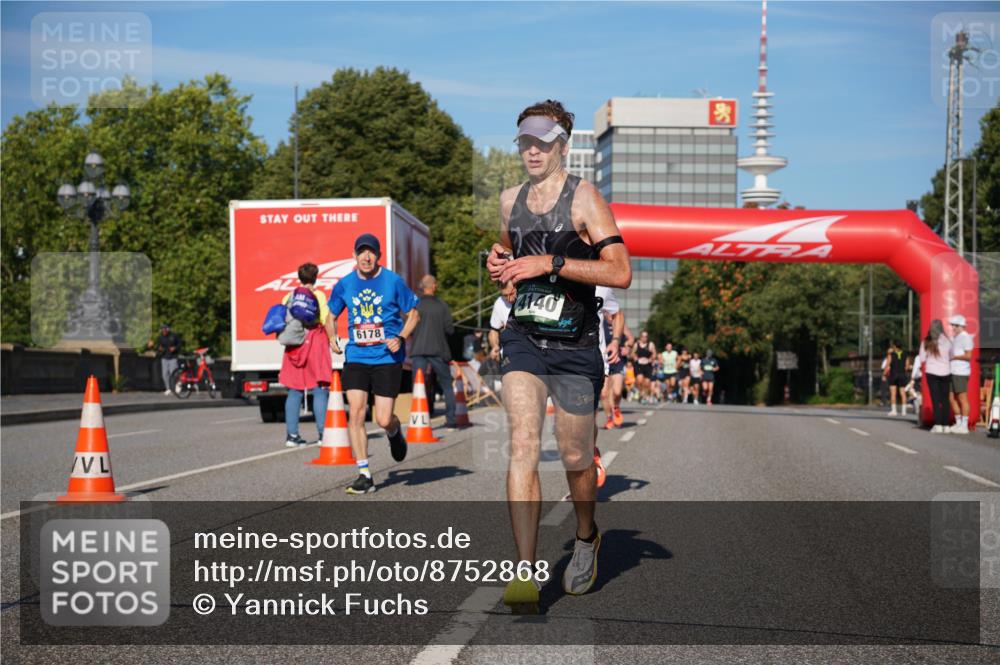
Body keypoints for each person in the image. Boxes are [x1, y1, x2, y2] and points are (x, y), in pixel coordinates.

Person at [486, 100, 631, 613]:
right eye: (525, 141)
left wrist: (554, 261)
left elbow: (619, 272)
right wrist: (499, 264)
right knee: (523, 444)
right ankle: (524, 573)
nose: (531, 150)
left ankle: (587, 535)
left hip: (574, 346)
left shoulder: (586, 199)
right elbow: (506, 253)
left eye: (542, 142)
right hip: (525, 339)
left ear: (562, 144)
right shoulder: (509, 201)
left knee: (574, 456)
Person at [328, 233, 420, 494]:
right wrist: (332, 335)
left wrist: (401, 337)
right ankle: (364, 473)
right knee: (356, 413)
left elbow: (414, 314)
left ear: (378, 256)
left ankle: (394, 430)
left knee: (381, 418)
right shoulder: (345, 284)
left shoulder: (393, 281)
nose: (366, 257)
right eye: (361, 252)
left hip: (386, 359)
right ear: (355, 256)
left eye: (371, 252)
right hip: (356, 357)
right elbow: (330, 316)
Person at [278, 263, 333, 447]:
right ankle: (322, 434)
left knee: (294, 391)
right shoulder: (318, 296)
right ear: (315, 277)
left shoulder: (289, 296)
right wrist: (333, 340)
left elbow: (283, 319)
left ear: (299, 277)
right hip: (315, 344)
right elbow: (326, 319)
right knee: (319, 389)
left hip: (295, 346)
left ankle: (292, 436)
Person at [410, 274, 458, 428]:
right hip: (439, 350)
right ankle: (451, 421)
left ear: (422, 287)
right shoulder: (442, 305)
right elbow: (449, 330)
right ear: (434, 286)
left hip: (418, 350)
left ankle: (420, 420)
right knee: (446, 385)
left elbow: (409, 327)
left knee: (418, 385)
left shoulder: (415, 305)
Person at [917, 319, 953, 433]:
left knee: (935, 399)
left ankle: (937, 425)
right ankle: (946, 425)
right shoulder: (948, 340)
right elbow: (952, 356)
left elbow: (922, 359)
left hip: (931, 372)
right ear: (941, 328)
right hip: (946, 372)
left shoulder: (926, 342)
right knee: (945, 399)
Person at [948, 314, 975, 434]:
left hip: (961, 372)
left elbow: (969, 356)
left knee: (962, 398)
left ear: (961, 326)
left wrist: (954, 357)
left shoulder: (966, 337)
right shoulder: (955, 337)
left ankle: (964, 425)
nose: (952, 327)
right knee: (951, 397)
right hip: (952, 371)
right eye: (952, 325)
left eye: (954, 325)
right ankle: (958, 423)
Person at [149, 324, 181, 395]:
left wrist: (175, 348)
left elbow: (179, 344)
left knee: (173, 373)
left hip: (173, 357)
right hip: (164, 358)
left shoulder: (174, 336)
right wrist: (153, 346)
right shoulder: (160, 338)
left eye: (165, 329)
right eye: (162, 330)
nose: (164, 331)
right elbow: (158, 348)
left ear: (168, 329)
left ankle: (177, 384)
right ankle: (168, 388)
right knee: (165, 374)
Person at [632, 331, 656, 404]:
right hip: (639, 365)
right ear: (640, 337)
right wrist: (635, 358)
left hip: (647, 365)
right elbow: (633, 353)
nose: (644, 338)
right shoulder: (637, 344)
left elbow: (654, 354)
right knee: (639, 381)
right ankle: (641, 394)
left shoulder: (650, 344)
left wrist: (650, 359)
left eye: (646, 336)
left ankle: (645, 395)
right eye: (643, 336)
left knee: (647, 383)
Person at [884, 341, 908, 416]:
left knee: (893, 393)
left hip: (893, 375)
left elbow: (887, 365)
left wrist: (884, 374)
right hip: (902, 374)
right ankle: (904, 411)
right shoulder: (905, 354)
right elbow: (907, 366)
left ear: (894, 347)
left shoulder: (891, 355)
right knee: (903, 393)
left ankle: (894, 411)